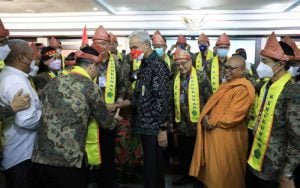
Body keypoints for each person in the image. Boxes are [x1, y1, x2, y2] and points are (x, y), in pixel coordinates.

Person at [31, 46, 116, 188]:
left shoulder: (54, 81)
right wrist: (115, 120)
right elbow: (106, 122)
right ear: (92, 66)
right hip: (69, 160)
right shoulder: (90, 86)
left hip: (41, 157)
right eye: (98, 68)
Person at [190, 55, 255, 188]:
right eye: (226, 67)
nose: (227, 71)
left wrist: (210, 121)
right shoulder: (226, 84)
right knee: (213, 175)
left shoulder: (244, 89)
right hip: (214, 136)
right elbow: (213, 105)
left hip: (229, 139)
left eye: (232, 68)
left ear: (243, 71)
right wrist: (206, 116)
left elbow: (231, 117)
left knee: (227, 175)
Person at [116, 30, 171, 188]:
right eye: (131, 47)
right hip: (144, 124)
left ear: (146, 45)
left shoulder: (158, 66)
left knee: (153, 170)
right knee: (150, 168)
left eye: (135, 47)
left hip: (154, 127)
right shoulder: (145, 64)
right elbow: (140, 95)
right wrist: (118, 105)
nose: (132, 51)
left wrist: (162, 128)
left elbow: (162, 98)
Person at [247, 32, 299, 188]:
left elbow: (297, 138)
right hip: (257, 158)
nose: (260, 66)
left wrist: (288, 173)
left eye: (264, 61)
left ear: (281, 64)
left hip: (275, 166)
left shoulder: (292, 92)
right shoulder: (266, 84)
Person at [91, 25, 130, 188]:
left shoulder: (118, 63)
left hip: (110, 112)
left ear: (109, 45)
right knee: (91, 144)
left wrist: (118, 102)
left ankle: (107, 179)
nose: (101, 46)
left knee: (107, 147)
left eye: (104, 43)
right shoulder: (89, 61)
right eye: (97, 42)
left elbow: (124, 84)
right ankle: (91, 177)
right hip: (91, 112)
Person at [0, 39, 42, 188]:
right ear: (22, 58)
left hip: (14, 149)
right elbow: (26, 120)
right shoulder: (16, 81)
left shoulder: (9, 76)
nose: (34, 60)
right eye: (32, 56)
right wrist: (49, 118)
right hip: (21, 154)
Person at [171, 49, 208, 187]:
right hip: (181, 123)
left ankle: (199, 178)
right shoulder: (176, 77)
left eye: (183, 63)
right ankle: (186, 176)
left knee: (198, 153)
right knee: (184, 153)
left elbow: (209, 98)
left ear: (190, 61)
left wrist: (207, 117)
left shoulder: (201, 76)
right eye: (178, 64)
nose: (181, 67)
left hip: (198, 124)